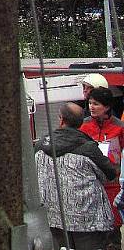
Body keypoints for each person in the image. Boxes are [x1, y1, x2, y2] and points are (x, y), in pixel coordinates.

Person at [36, 102, 116, 250]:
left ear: (61, 120)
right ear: (80, 123)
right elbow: (109, 173)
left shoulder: (40, 146)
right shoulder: (88, 148)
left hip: (53, 218)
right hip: (87, 221)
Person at [81, 87, 124, 248]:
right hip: (89, 184)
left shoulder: (119, 127)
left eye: (96, 104)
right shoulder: (83, 126)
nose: (91, 107)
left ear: (106, 107)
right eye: (90, 103)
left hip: (112, 186)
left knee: (113, 231)